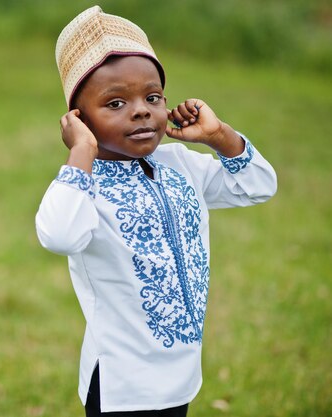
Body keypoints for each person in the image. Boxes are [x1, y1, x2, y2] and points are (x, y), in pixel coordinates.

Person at [35, 6, 277, 416]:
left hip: (180, 374)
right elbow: (58, 235)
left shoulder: (180, 165)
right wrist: (81, 153)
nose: (142, 110)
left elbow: (257, 185)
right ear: (79, 119)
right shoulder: (84, 185)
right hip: (122, 386)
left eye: (152, 97)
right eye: (115, 103)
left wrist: (219, 136)